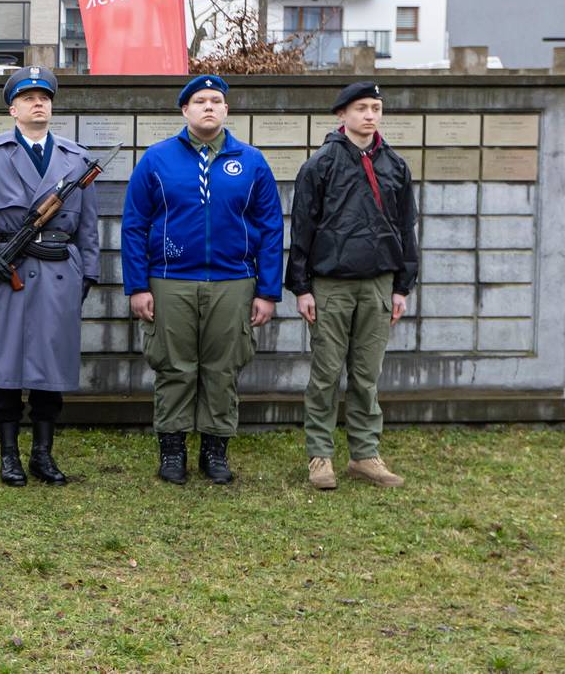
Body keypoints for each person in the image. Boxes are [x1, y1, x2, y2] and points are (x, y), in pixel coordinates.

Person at [123, 74, 284, 485]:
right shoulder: (156, 159)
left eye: (216, 100)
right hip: (169, 280)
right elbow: (134, 225)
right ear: (185, 110)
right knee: (174, 367)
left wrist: (268, 291)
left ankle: (215, 449)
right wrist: (138, 286)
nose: (208, 106)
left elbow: (271, 227)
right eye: (200, 101)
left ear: (226, 109)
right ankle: (172, 450)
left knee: (222, 368)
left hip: (233, 281)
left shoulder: (251, 161)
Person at [0, 67, 99, 487]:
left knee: (51, 365)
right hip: (8, 269)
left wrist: (87, 272)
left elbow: (88, 224)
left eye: (44, 98)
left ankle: (43, 455)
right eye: (28, 98)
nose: (38, 104)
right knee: (7, 365)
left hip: (59, 273)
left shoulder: (76, 158)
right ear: (13, 109)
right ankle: (9, 455)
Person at [287, 81, 418, 491]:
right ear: (342, 114)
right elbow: (302, 228)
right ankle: (320, 456)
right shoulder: (320, 165)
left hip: (378, 284)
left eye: (376, 107)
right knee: (326, 374)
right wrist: (302, 287)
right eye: (361, 108)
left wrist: (402, 286)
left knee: (366, 375)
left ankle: (364, 455)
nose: (370, 115)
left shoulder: (395, 165)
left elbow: (406, 229)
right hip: (331, 284)